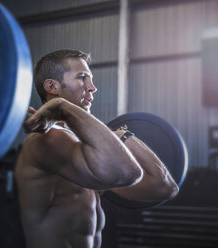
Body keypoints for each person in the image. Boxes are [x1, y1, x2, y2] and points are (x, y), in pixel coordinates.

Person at [15, 49, 179, 248]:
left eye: (91, 79)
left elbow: (165, 187)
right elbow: (127, 172)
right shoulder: (48, 141)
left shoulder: (85, 152)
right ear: (52, 86)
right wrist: (63, 107)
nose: (93, 87)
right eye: (82, 78)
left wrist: (123, 135)